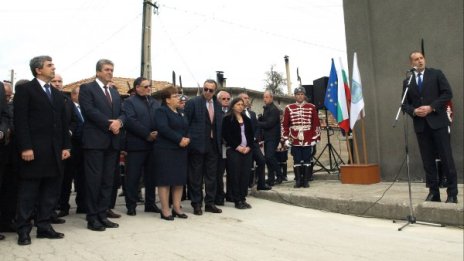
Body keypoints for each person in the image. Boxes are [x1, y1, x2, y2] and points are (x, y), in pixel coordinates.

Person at [13, 56, 71, 245]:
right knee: (28, 192)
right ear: (38, 70)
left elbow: (62, 123)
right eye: (49, 65)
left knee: (50, 192)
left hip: (54, 152)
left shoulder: (56, 94)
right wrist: (26, 147)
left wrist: (65, 146)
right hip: (34, 152)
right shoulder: (25, 90)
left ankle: (44, 226)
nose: (53, 68)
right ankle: (23, 229)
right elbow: (20, 121)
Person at [402, 51, 458, 203]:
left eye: (421, 58)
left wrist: (431, 107)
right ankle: (434, 193)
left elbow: (447, 94)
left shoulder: (436, 74)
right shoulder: (407, 81)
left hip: (438, 123)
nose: (419, 61)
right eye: (416, 59)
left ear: (424, 60)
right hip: (421, 126)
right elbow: (404, 104)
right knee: (428, 161)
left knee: (446, 158)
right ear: (411, 64)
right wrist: (413, 111)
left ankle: (452, 193)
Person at [79, 59, 125, 231]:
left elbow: (123, 112)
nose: (110, 72)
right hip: (95, 143)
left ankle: (102, 214)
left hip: (112, 143)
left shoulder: (114, 92)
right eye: (106, 69)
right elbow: (89, 111)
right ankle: (92, 218)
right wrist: (109, 124)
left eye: (112, 70)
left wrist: (120, 121)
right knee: (94, 181)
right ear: (98, 72)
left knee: (108, 181)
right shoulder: (87, 89)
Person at [123, 77, 161, 216]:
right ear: (137, 88)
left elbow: (160, 119)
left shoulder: (155, 102)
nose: (148, 89)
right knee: (133, 177)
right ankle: (131, 205)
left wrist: (157, 132)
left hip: (153, 146)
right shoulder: (129, 102)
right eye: (145, 86)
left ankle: (150, 204)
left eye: (150, 86)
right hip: (136, 145)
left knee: (151, 177)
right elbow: (130, 121)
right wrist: (147, 134)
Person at [184, 79, 223, 215]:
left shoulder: (218, 105)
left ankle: (210, 203)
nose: (207, 92)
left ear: (214, 91)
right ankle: (196, 204)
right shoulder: (193, 103)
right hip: (196, 145)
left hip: (213, 145)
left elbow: (219, 125)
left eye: (210, 90)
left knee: (211, 176)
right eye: (205, 89)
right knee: (196, 177)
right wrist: (190, 140)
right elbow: (185, 124)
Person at [153, 86, 190, 220]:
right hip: (166, 150)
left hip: (180, 150)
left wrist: (187, 138)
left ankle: (177, 207)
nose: (178, 98)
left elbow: (186, 127)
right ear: (167, 100)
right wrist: (179, 139)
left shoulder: (180, 112)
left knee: (179, 181)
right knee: (166, 181)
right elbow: (163, 128)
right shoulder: (161, 111)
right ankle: (165, 210)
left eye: (178, 95)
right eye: (175, 96)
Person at [281, 87, 321, 188]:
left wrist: (315, 138)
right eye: (298, 94)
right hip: (294, 138)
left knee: (307, 159)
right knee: (297, 159)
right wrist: (285, 138)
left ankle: (306, 180)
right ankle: (298, 181)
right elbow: (285, 125)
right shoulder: (289, 108)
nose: (300, 96)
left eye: (301, 94)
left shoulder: (311, 107)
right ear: (295, 96)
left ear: (304, 95)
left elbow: (316, 124)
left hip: (308, 137)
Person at [222, 98, 254, 209]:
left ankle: (243, 198)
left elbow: (251, 135)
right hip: (234, 151)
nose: (240, 106)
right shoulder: (227, 119)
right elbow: (226, 135)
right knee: (235, 175)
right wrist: (237, 147)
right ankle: (237, 200)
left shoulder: (247, 119)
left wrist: (249, 146)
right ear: (233, 106)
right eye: (238, 104)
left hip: (247, 151)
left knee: (245, 175)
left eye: (242, 104)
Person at [238, 92, 271, 191]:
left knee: (261, 161)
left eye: (248, 98)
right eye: (244, 98)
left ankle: (261, 184)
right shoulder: (237, 113)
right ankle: (246, 185)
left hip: (254, 143)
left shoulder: (252, 114)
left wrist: (255, 137)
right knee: (246, 165)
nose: (247, 100)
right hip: (243, 144)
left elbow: (257, 127)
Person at [257, 91, 283, 186]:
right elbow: (266, 122)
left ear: (271, 98)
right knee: (268, 158)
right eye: (264, 97)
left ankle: (280, 175)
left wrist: (257, 122)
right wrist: (260, 119)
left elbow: (269, 124)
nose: (265, 99)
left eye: (267, 97)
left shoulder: (274, 109)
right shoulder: (267, 108)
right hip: (267, 137)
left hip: (273, 137)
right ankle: (271, 178)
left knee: (269, 156)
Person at [215, 90, 231, 206]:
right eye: (223, 99)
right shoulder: (214, 112)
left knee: (231, 172)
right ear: (218, 100)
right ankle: (219, 196)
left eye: (228, 99)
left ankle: (230, 195)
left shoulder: (233, 112)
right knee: (218, 174)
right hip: (219, 148)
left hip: (231, 148)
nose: (226, 101)